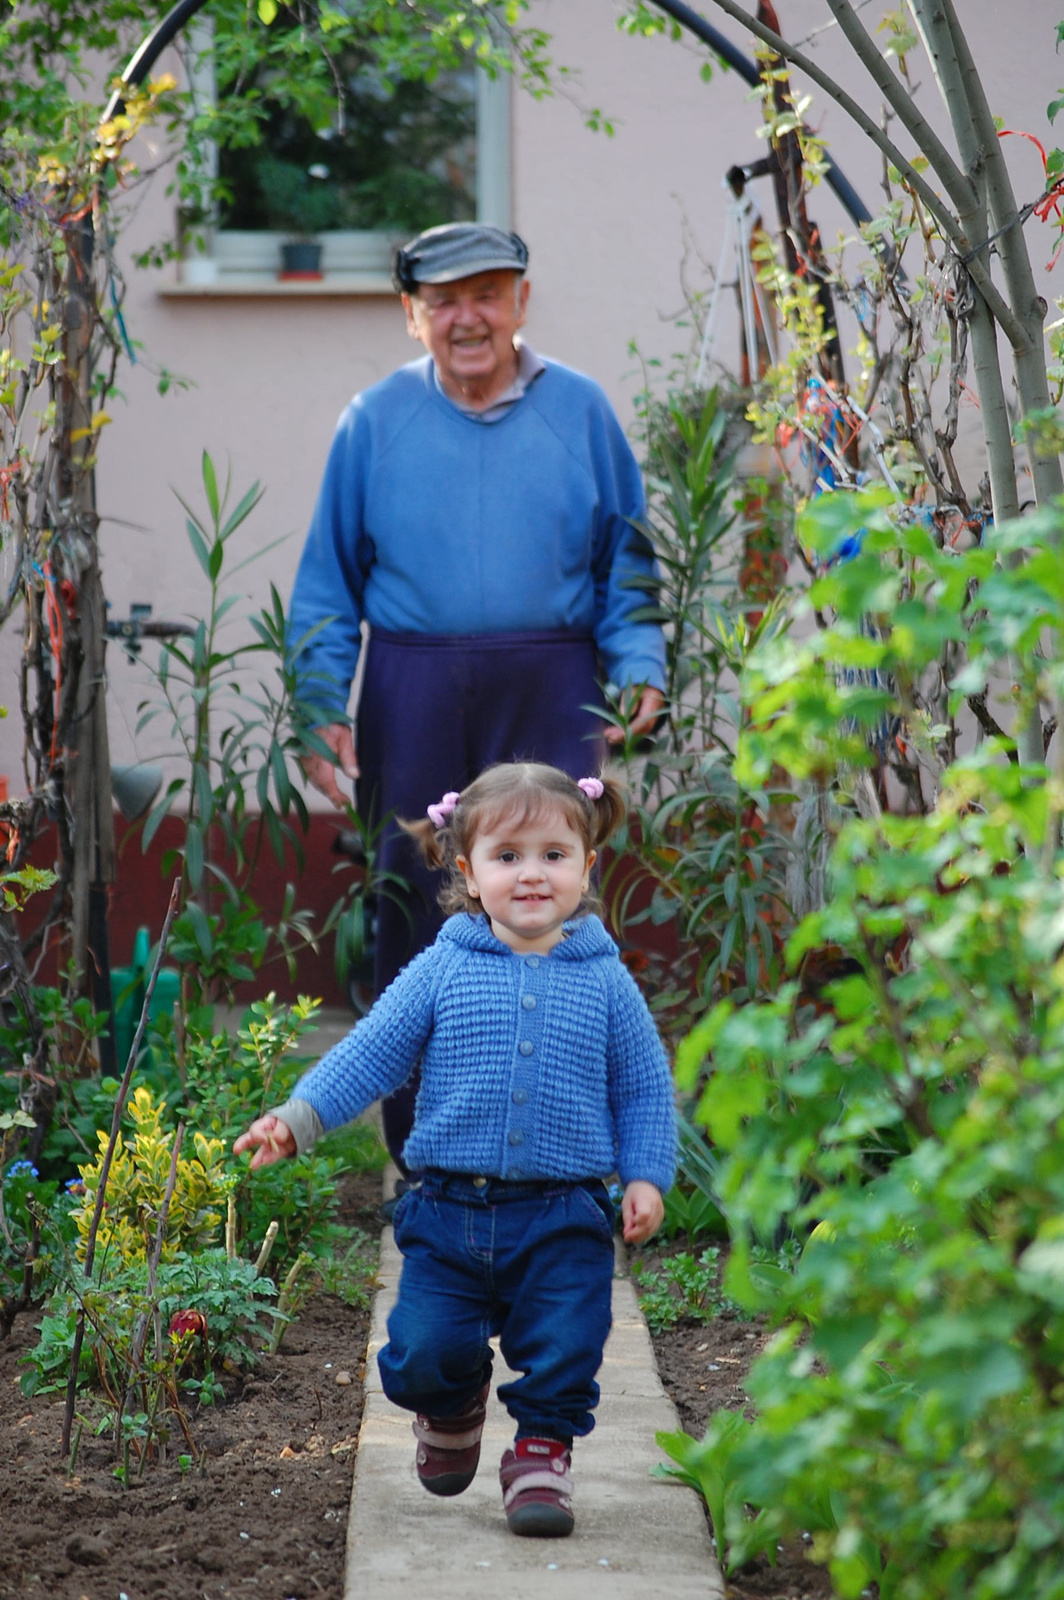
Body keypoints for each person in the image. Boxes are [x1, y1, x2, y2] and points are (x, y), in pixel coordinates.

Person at [287, 221, 667, 1169]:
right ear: (411, 315)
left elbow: (628, 566)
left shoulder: (579, 412)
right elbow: (328, 585)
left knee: (552, 897)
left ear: (521, 303)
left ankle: (567, 1154)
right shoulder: (372, 421)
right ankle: (424, 1161)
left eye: (488, 294)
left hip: (552, 683)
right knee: (416, 909)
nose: (469, 317)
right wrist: (318, 710)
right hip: (412, 686)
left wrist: (641, 666)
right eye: (445, 300)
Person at [235, 762, 675, 1538]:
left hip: (564, 1210)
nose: (532, 874)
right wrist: (296, 1118)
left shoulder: (606, 981)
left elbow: (643, 1088)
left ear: (587, 865)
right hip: (448, 1210)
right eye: (508, 857)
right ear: (468, 872)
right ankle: (451, 1397)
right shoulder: (444, 968)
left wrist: (645, 1176)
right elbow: (371, 1052)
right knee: (422, 1350)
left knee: (569, 1341)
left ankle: (541, 1454)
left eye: (552, 854)